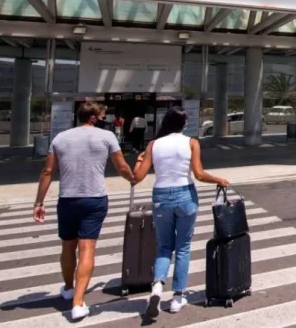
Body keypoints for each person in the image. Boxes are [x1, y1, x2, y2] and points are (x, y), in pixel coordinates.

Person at [32, 102, 134, 321]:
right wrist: (133, 178)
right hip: (94, 198)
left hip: (67, 199)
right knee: (87, 248)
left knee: (68, 245)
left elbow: (48, 171)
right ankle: (78, 303)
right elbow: (122, 166)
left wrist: (39, 202)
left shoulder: (60, 138)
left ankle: (69, 288)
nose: (105, 119)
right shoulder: (107, 137)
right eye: (103, 116)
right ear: (94, 118)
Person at [132, 107, 229, 318]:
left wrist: (139, 159)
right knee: (183, 247)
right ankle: (177, 297)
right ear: (183, 124)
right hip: (185, 195)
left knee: (164, 246)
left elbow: (136, 177)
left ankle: (157, 286)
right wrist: (219, 180)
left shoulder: (153, 144)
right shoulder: (191, 142)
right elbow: (199, 174)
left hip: (161, 197)